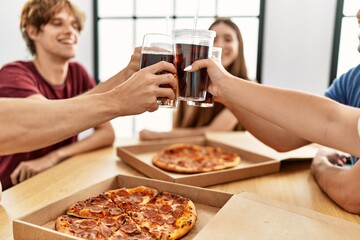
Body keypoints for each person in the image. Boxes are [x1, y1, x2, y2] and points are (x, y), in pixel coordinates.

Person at [184, 22, 360, 214]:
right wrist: (225, 94)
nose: (357, 14)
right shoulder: (351, 80)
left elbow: (352, 194)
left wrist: (320, 165)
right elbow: (291, 134)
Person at [0, 0, 176, 190]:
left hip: (56, 179)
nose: (70, 31)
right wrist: (120, 97)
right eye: (57, 23)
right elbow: (42, 118)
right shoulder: (14, 73)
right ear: (33, 31)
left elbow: (106, 133)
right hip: (16, 187)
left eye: (74, 25)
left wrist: (126, 74)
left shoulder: (77, 72)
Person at [140, 18, 252, 141]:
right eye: (213, 40)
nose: (220, 45)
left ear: (239, 45)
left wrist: (157, 135)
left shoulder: (247, 86)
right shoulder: (195, 83)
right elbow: (181, 126)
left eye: (228, 39)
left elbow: (213, 132)